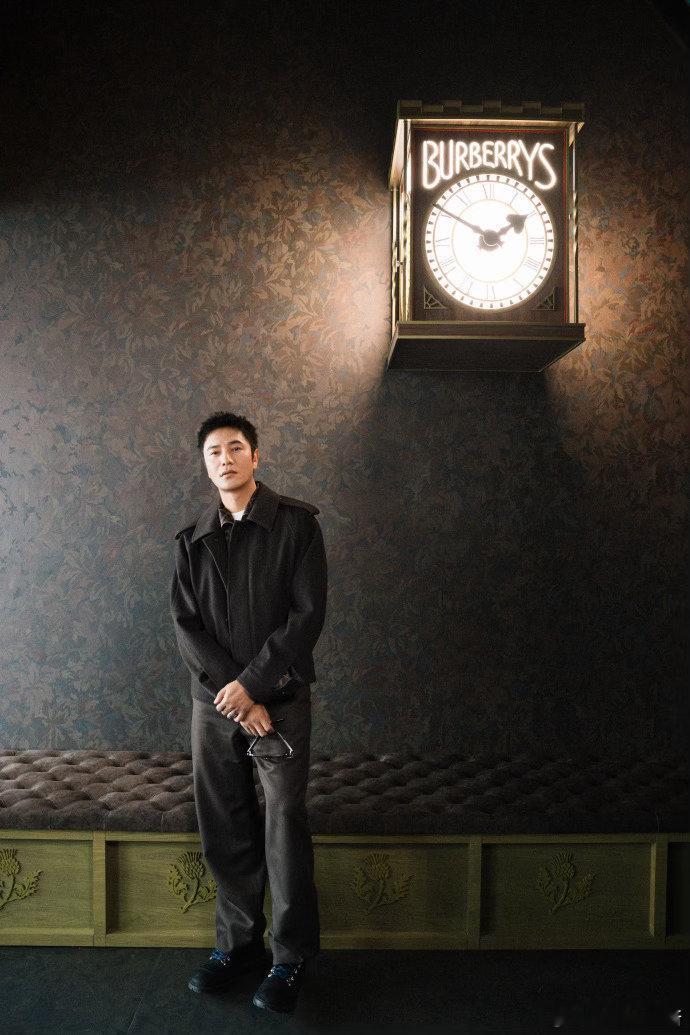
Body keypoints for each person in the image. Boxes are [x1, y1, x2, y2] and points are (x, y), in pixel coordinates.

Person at [169, 410, 327, 1014]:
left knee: (284, 823)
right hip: (215, 706)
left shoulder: (298, 526)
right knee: (224, 822)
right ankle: (237, 948)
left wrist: (255, 687)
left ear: (255, 456)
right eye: (214, 452)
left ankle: (291, 959)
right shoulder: (191, 539)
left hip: (280, 702)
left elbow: (306, 617)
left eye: (235, 448)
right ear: (205, 465)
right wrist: (235, 696)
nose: (225, 459)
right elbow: (185, 625)